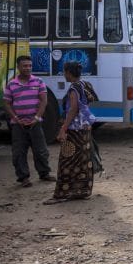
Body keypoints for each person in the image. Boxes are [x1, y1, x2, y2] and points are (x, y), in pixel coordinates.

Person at [44, 61, 94, 204]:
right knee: (83, 162)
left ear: (68, 73)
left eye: (64, 72)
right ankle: (82, 190)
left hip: (73, 131)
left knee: (66, 163)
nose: (64, 75)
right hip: (84, 131)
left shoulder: (73, 88)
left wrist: (63, 128)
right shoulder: (85, 84)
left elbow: (73, 109)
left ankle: (62, 194)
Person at [2, 55, 56, 188]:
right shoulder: (11, 84)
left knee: (41, 151)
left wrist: (36, 118)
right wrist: (15, 118)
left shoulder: (38, 81)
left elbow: (44, 101)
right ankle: (23, 178)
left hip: (35, 123)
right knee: (19, 152)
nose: (28, 68)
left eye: (29, 66)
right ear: (18, 67)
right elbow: (6, 103)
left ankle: (44, 173)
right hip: (18, 125)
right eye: (25, 66)